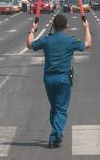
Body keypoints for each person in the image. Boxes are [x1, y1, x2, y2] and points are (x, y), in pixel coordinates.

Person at [26, 13, 91, 148]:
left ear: (53, 26)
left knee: (54, 106)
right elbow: (88, 44)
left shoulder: (46, 40)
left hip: (49, 79)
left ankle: (57, 131)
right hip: (63, 79)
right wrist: (87, 28)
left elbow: (30, 45)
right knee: (61, 108)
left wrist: (32, 30)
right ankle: (55, 136)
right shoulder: (70, 40)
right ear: (66, 26)